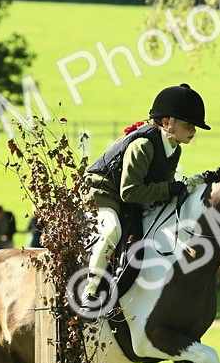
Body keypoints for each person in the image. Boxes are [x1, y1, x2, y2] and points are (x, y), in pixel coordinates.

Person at [82, 83, 208, 299]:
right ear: (167, 123)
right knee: (112, 230)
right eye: (188, 125)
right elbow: (129, 192)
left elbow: (161, 190)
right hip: (102, 191)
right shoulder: (143, 145)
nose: (193, 131)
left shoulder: (174, 148)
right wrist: (169, 188)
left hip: (128, 198)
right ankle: (90, 289)